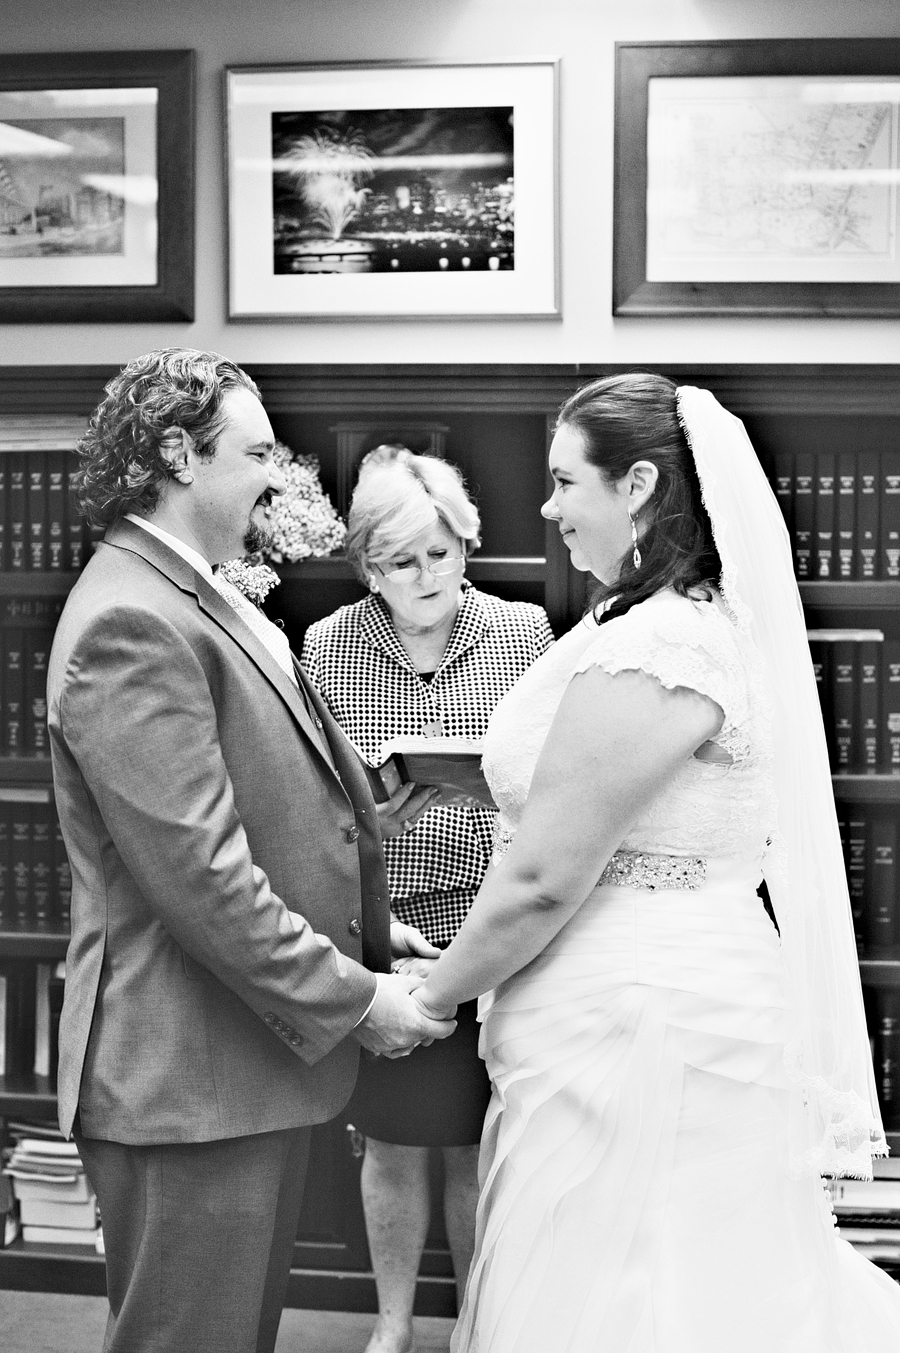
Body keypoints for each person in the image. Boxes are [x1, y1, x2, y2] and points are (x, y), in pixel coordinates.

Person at [412, 373, 900, 1352]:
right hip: (671, 988)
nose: (546, 507)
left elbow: (546, 875)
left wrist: (428, 1000)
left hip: (637, 1018)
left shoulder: (660, 644)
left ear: (635, 485)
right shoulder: (665, 626)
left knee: (630, 1292)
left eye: (563, 481)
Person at [47, 350, 455, 1353]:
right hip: (187, 1088)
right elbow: (205, 883)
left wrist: (371, 929)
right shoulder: (131, 619)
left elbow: (269, 812)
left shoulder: (191, 592)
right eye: (259, 450)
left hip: (236, 1073)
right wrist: (359, 998)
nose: (279, 475)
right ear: (181, 454)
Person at [301, 445, 554, 1353]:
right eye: (400, 561)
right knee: (397, 1143)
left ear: (466, 545)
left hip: (499, 926)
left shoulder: (525, 633)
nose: (425, 576)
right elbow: (317, 799)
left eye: (441, 554)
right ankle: (395, 1324)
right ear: (368, 564)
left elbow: (551, 782)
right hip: (389, 932)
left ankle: (477, 1325)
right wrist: (372, 838)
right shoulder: (328, 646)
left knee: (479, 1144)